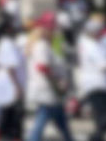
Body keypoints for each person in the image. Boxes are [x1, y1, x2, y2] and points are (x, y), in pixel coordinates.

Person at [27, 12, 74, 141]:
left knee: (61, 120)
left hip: (50, 90)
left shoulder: (45, 44)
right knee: (42, 120)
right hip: (47, 89)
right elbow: (43, 67)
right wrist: (58, 82)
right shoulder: (42, 45)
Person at [77, 15, 106, 141]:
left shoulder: (92, 41)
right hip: (96, 85)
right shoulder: (89, 44)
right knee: (105, 119)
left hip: (102, 85)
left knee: (101, 120)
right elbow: (103, 66)